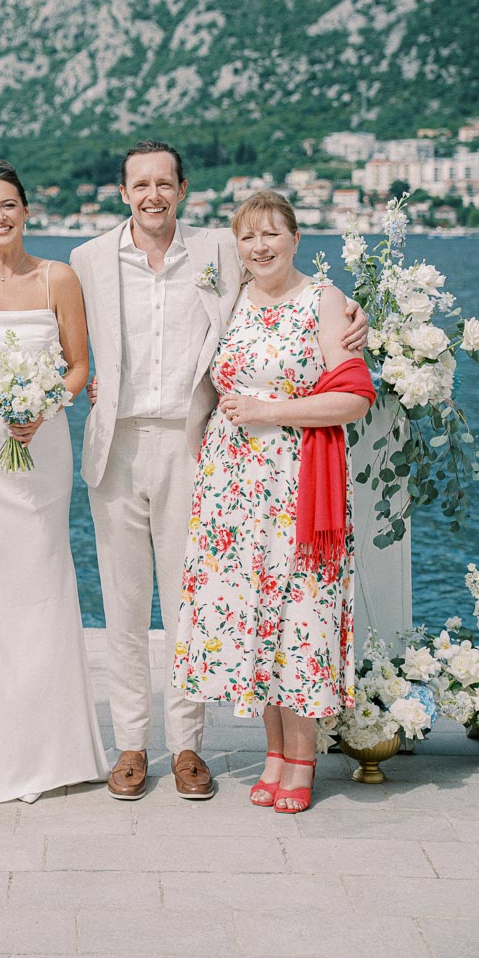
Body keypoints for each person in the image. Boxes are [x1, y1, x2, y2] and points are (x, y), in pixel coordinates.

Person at [70, 141, 367, 804]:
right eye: (140, 184)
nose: (152, 194)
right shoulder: (86, 259)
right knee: (121, 605)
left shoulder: (220, 250)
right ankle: (129, 747)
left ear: (182, 189)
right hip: (114, 446)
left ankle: (186, 749)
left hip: (195, 445)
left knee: (191, 603)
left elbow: (287, 280)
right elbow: (59, 333)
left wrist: (357, 319)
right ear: (124, 191)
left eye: (164, 183)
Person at [172, 190, 375, 813]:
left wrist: (270, 411)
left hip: (294, 484)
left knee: (300, 617)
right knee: (253, 616)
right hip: (230, 487)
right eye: (248, 237)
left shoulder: (326, 302)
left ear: (296, 237)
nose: (260, 247)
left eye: (272, 234)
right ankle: (273, 754)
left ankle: (304, 757)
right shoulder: (229, 300)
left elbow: (354, 398)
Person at [0, 160, 108, 804]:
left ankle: (50, 747)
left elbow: (79, 366)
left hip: (42, 449)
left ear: (26, 211)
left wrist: (41, 405)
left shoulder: (59, 278)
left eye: (9, 205)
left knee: (41, 585)